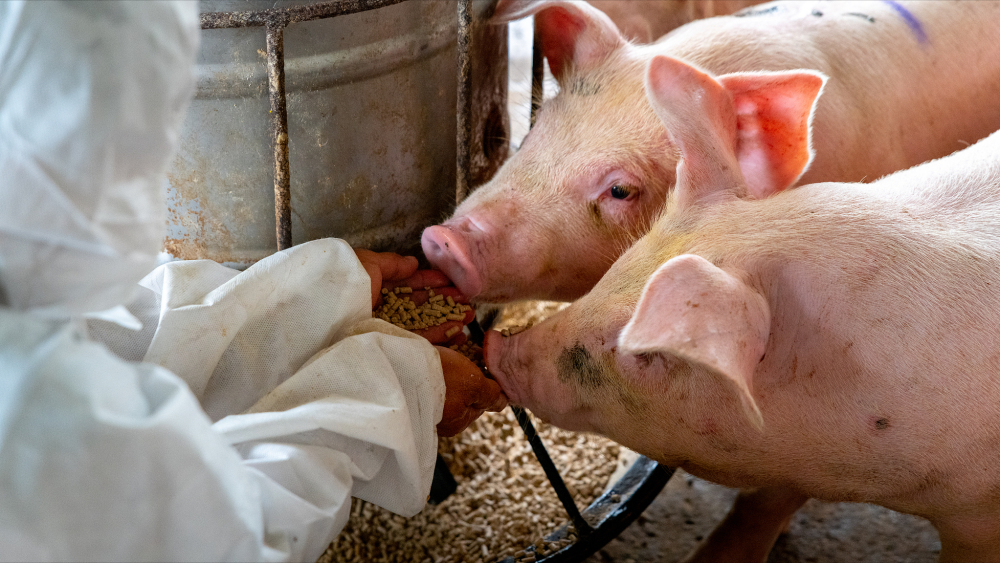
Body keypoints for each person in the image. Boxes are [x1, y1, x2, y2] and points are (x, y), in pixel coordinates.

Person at [0, 1, 505, 561]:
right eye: (116, 158)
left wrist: (300, 305)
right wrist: (391, 397)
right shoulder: (25, 419)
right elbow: (230, 539)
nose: (143, 196)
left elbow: (102, 339)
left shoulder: (20, 287)